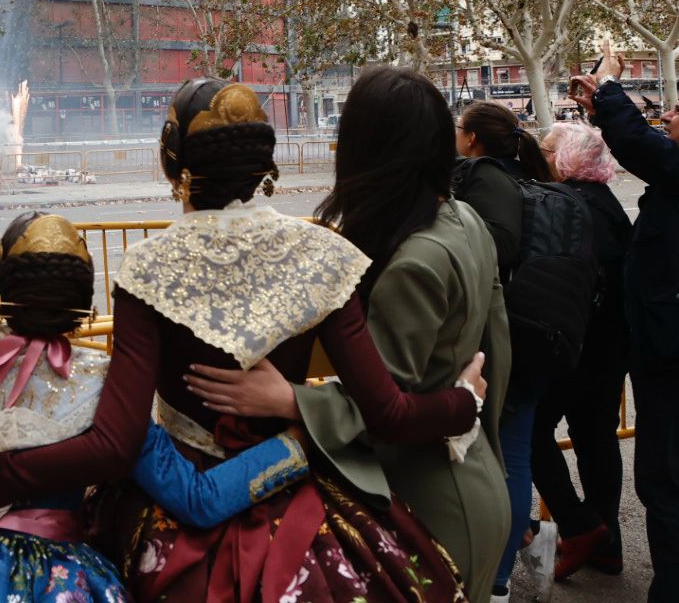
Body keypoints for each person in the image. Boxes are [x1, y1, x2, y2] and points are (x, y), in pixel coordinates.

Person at [0, 79, 487, 603]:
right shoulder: (324, 255)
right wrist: (464, 403)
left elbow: (117, 442)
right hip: (297, 493)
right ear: (264, 166)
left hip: (173, 508)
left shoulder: (149, 268)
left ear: (174, 165)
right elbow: (390, 412)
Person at [0, 211, 311, 603]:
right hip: (61, 575)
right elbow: (197, 499)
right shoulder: (104, 387)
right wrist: (297, 444)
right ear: (85, 304)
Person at [186, 68, 512, 601]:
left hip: (430, 499)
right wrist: (474, 413)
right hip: (473, 473)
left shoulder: (417, 263)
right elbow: (497, 345)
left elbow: (386, 406)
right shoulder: (464, 219)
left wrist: (292, 400)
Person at [574, 45, 679, 603]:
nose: (668, 115)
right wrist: (600, 109)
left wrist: (610, 87)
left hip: (678, 351)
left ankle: (674, 591)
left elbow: (640, 146)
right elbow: (644, 146)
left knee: (665, 478)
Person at [448, 101, 560, 601]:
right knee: (511, 451)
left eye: (458, 128)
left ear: (472, 139)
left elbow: (501, 244)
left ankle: (493, 581)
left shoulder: (486, 175)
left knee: (506, 454)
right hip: (538, 331)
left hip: (507, 336)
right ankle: (512, 560)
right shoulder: (520, 175)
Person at [528, 123, 632, 580]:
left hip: (582, 343)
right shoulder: (604, 201)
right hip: (611, 343)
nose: (541, 155)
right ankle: (607, 546)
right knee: (596, 438)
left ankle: (580, 526)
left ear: (566, 159)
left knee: (530, 428)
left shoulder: (570, 205)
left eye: (548, 149)